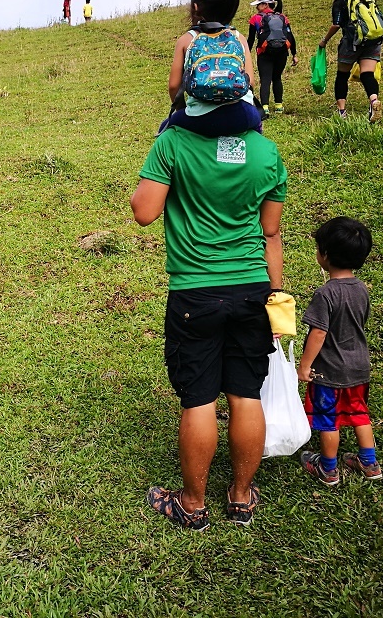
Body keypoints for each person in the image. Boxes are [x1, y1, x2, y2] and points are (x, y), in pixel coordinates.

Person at [131, 60, 288, 530]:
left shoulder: (173, 142)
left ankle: (192, 503)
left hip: (196, 293)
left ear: (193, 95)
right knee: (245, 393)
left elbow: (143, 212)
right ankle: (241, 497)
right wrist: (275, 298)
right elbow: (272, 233)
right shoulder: (265, 152)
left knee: (198, 398)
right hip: (253, 290)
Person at [297, 217, 382, 485]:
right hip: (359, 367)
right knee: (359, 412)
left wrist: (305, 365)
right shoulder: (362, 289)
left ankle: (328, 468)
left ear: (325, 255)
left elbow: (318, 333)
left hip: (329, 371)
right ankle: (369, 463)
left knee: (328, 418)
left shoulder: (326, 294)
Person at [160, 0, 264, 137]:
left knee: (165, 127)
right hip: (240, 116)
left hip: (199, 119)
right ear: (233, 9)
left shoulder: (187, 40)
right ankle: (254, 148)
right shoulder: (239, 38)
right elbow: (250, 81)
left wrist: (183, 111)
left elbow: (174, 87)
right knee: (257, 124)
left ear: (196, 7)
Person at [319, 0, 383, 122]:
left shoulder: (341, 2)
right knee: (367, 74)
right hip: (372, 41)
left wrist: (324, 40)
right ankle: (374, 101)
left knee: (342, 76)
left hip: (351, 44)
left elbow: (336, 24)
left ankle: (342, 112)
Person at [247, 0, 297, 116]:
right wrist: (294, 54)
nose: (256, 7)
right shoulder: (283, 17)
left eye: (258, 4)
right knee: (277, 78)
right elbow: (290, 36)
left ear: (265, 4)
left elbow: (251, 39)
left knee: (265, 79)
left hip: (264, 53)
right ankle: (279, 106)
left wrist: (246, 55)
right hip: (282, 52)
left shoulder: (256, 18)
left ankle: (265, 107)